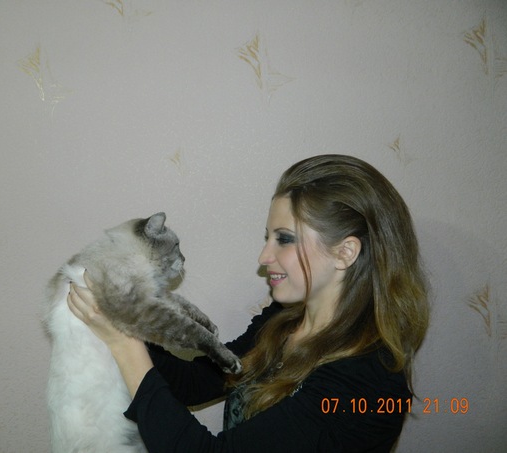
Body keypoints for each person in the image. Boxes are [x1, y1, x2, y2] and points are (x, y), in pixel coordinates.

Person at [67, 154, 429, 452]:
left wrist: (124, 344)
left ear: (345, 252)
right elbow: (197, 382)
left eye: (284, 239)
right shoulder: (283, 320)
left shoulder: (366, 380)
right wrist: (128, 316)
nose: (264, 256)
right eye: (267, 238)